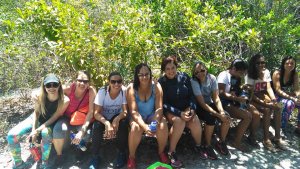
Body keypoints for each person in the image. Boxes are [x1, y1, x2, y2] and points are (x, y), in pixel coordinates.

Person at [7, 74, 70, 169]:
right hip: (35, 118)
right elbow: (36, 113)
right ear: (44, 86)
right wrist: (34, 129)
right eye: (48, 85)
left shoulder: (64, 100)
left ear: (59, 85)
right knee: (12, 135)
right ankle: (18, 164)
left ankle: (45, 163)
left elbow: (55, 117)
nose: (52, 88)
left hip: (50, 122)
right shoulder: (39, 96)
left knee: (46, 133)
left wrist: (37, 130)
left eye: (55, 84)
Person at [158, 56, 207, 168]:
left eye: (173, 67)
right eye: (167, 69)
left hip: (185, 108)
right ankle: (171, 152)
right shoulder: (162, 82)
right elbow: (163, 103)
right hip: (170, 110)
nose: (171, 71)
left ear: (176, 67)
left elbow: (192, 96)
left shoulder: (184, 77)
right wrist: (179, 113)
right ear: (164, 70)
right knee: (179, 121)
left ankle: (198, 146)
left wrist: (192, 108)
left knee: (194, 120)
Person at [126, 63, 169, 169]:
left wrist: (156, 122)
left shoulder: (156, 86)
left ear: (150, 74)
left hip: (151, 115)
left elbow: (159, 108)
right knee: (135, 128)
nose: (144, 77)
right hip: (136, 116)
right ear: (137, 75)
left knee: (162, 123)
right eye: (141, 75)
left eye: (146, 74)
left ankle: (161, 152)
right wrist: (145, 127)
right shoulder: (131, 88)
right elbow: (134, 112)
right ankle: (131, 157)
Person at [52, 70, 96, 166]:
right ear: (75, 81)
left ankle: (80, 150)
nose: (82, 83)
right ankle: (59, 155)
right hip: (66, 118)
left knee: (86, 134)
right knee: (58, 129)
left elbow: (90, 112)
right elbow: (51, 90)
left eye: (85, 81)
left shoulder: (91, 91)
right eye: (80, 80)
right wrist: (35, 94)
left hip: (80, 119)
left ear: (89, 83)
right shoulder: (69, 89)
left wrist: (81, 132)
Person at [217, 59, 261, 151]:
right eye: (241, 72)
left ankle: (251, 137)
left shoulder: (237, 77)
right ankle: (236, 142)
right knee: (247, 116)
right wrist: (236, 98)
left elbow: (236, 90)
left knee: (256, 114)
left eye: (244, 73)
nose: (242, 74)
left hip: (236, 100)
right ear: (233, 68)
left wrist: (243, 90)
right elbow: (221, 93)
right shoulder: (223, 75)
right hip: (224, 103)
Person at [191, 61, 231, 160]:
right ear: (194, 74)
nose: (200, 73)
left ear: (206, 69)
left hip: (209, 103)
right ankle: (207, 145)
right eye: (197, 72)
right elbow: (201, 103)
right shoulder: (194, 81)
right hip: (199, 106)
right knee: (210, 118)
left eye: (202, 70)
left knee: (227, 116)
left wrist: (221, 112)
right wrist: (217, 115)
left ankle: (221, 142)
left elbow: (216, 97)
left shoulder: (212, 78)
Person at [245, 53, 285, 151]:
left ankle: (277, 137)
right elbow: (251, 94)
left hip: (263, 95)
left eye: (262, 62)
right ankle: (266, 139)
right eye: (258, 63)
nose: (261, 65)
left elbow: (268, 87)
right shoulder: (249, 75)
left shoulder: (266, 71)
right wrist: (265, 104)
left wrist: (273, 99)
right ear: (253, 64)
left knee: (279, 107)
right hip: (252, 98)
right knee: (267, 109)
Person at [89, 72, 128, 169]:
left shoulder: (123, 91)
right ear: (109, 82)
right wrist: (106, 123)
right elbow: (96, 113)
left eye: (119, 81)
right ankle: (95, 156)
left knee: (123, 124)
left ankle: (121, 152)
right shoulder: (103, 92)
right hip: (103, 117)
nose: (116, 84)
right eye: (113, 81)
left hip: (116, 116)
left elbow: (125, 111)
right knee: (96, 126)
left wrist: (117, 119)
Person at [272, 56, 300, 135]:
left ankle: (299, 127)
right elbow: (277, 90)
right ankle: (281, 127)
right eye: (287, 63)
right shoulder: (277, 73)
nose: (289, 65)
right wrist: (292, 98)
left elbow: (297, 89)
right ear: (283, 64)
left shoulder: (294, 74)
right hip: (276, 97)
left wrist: (297, 96)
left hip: (289, 96)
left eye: (292, 63)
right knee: (288, 104)